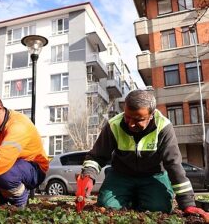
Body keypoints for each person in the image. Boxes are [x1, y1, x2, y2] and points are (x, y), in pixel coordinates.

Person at [80, 89, 209, 217]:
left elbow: (174, 164)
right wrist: (88, 176)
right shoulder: (114, 125)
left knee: (159, 209)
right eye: (127, 116)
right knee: (106, 206)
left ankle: (138, 196)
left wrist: (188, 203)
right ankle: (132, 195)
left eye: (138, 120)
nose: (130, 124)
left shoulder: (163, 127)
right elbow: (96, 156)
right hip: (121, 175)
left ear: (151, 115)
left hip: (153, 176)